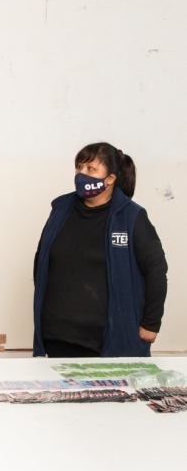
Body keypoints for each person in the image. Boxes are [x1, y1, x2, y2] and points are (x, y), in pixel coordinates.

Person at [33, 142, 168, 358]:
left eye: (91, 169)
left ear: (111, 178)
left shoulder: (131, 217)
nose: (81, 174)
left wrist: (151, 323)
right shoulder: (60, 209)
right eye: (79, 167)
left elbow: (156, 270)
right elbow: (42, 260)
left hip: (106, 340)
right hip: (57, 336)